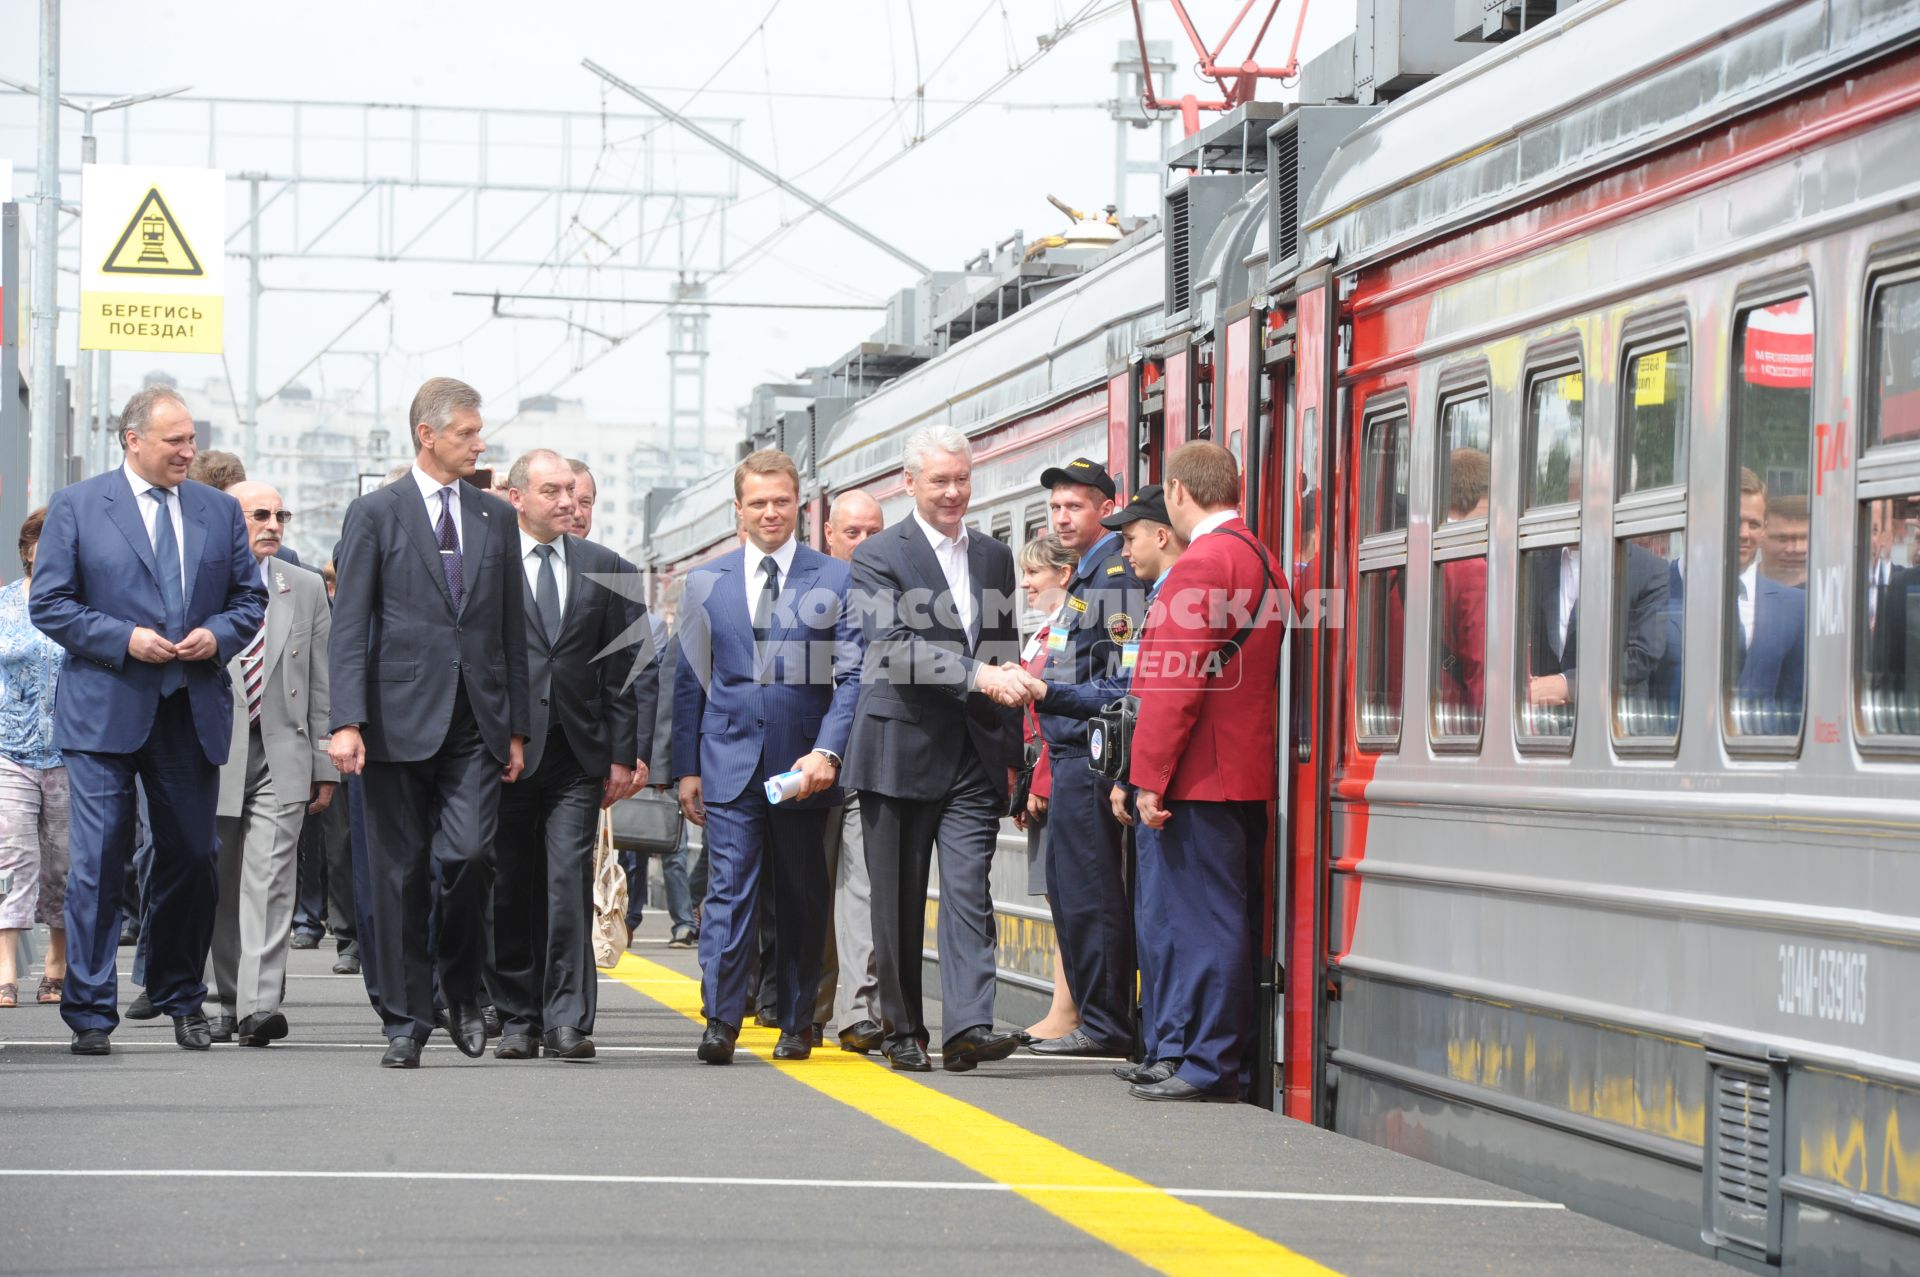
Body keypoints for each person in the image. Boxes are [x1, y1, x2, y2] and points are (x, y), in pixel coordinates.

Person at [30, 385, 267, 1056]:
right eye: (175, 441)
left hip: (189, 707)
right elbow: (50, 602)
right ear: (133, 440)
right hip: (105, 707)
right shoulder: (80, 506)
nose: (188, 451)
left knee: (193, 857)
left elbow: (249, 600)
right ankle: (89, 1009)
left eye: (192, 438)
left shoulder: (219, 511)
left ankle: (178, 993)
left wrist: (216, 635)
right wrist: (122, 638)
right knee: (99, 861)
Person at [328, 376, 530, 1069]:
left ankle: (462, 989)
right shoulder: (375, 514)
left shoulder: (494, 517)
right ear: (428, 435)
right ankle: (407, 1020)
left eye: (479, 432)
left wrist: (517, 728)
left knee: (470, 856)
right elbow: (350, 623)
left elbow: (511, 630)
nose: (480, 443)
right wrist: (346, 719)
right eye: (468, 433)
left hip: (476, 720)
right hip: (391, 721)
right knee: (399, 874)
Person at [844, 424, 1027, 1074]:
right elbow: (891, 645)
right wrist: (979, 676)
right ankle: (902, 1029)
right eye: (940, 480)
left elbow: (1003, 644)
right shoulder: (879, 555)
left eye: (962, 479)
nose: (954, 492)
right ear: (910, 483)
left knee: (967, 891)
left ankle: (969, 1025)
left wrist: (1012, 748)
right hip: (900, 748)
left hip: (973, 753)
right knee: (896, 899)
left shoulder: (995, 557)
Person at [673, 449, 860, 1064]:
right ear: (739, 510)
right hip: (727, 762)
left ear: (802, 507)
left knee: (804, 895)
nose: (771, 511)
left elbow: (851, 677)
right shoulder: (706, 582)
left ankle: (797, 1020)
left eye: (782, 500)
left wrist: (827, 752)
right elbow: (689, 680)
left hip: (802, 768)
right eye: (758, 502)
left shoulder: (834, 578)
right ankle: (721, 1018)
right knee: (729, 892)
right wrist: (687, 768)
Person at [1124, 442, 1285, 1102]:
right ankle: (1220, 1055)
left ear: (1180, 495)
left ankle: (1210, 1062)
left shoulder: (1199, 566)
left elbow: (1174, 684)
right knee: (1232, 919)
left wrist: (1149, 776)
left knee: (1206, 923)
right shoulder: (1262, 559)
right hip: (1245, 771)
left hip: (1201, 776)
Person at [488, 450, 648, 1063]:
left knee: (565, 882)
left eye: (570, 491)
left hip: (578, 758)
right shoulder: (487, 564)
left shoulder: (610, 568)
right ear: (517, 497)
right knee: (508, 884)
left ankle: (568, 1020)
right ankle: (517, 1018)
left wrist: (621, 753)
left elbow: (628, 670)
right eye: (550, 490)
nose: (564, 501)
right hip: (506, 754)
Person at [1015, 459, 1142, 1059]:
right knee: (1069, 894)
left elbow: (1123, 683)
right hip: (1066, 758)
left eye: (1076, 506)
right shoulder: (1087, 579)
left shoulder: (1114, 577)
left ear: (1103, 510)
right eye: (1057, 508)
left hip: (1093, 759)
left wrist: (1050, 695)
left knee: (1091, 895)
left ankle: (1108, 1025)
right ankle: (1091, 1019)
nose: (1063, 518)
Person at [207, 482, 337, 1047]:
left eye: (280, 514)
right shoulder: (202, 581)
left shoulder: (304, 587)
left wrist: (324, 764)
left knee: (272, 879)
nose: (274, 524)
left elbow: (322, 682)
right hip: (214, 751)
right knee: (221, 881)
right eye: (260, 514)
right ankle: (228, 998)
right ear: (230, 520)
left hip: (284, 753)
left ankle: (259, 1007)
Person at [1094, 484, 1189, 1087]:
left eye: (1129, 538)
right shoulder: (1155, 598)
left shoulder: (1171, 598)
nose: (1123, 550)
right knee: (1152, 921)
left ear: (1160, 533)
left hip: (1168, 789)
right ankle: (1158, 1043)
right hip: (1143, 779)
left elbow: (1161, 698)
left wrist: (1138, 777)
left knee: (1167, 921)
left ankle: (1170, 1046)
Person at [812, 489, 886, 1050]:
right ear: (829, 534)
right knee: (812, 883)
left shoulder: (896, 594)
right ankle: (806, 1001)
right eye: (852, 533)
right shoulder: (808, 590)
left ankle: (856, 1011)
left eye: (873, 532)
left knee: (859, 885)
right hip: (811, 760)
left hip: (872, 761)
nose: (863, 544)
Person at [1009, 533, 1077, 1044]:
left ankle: (1067, 1010)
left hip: (1054, 778)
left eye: (1035, 573)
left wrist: (1044, 782)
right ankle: (1064, 1006)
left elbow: (1062, 713)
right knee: (1057, 894)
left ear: (1065, 575)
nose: (1026, 584)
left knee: (1065, 895)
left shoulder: (1066, 632)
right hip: (1038, 777)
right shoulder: (1046, 633)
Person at [0, 509, 69, 1009]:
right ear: (28, 551)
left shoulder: (83, 605)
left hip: (72, 752)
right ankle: (5, 969)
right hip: (9, 748)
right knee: (14, 858)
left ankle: (56, 963)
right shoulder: (2, 607)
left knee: (65, 864)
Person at [1726, 468, 1807, 735]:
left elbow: (1794, 704)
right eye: (1734, 521)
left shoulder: (1795, 607)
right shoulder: (1667, 589)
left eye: (1753, 524)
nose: (1743, 533)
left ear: (1764, 530)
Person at [1761, 494, 1811, 588]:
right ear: (1760, 536)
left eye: (1807, 538)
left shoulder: (1830, 589)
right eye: (1783, 539)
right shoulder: (1738, 585)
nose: (1798, 549)